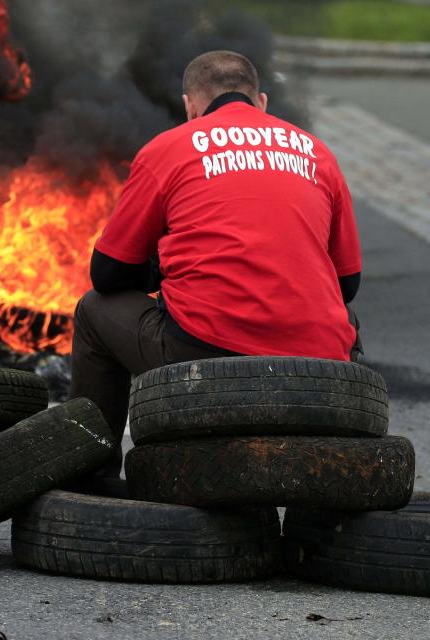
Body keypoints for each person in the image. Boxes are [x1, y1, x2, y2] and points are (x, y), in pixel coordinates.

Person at [71, 50, 361, 475]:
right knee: (345, 316)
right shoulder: (318, 153)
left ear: (190, 106)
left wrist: (159, 269)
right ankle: (324, 503)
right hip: (316, 363)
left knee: (94, 310)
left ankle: (88, 479)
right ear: (260, 101)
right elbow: (347, 282)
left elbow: (108, 272)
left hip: (203, 353)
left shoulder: (167, 148)